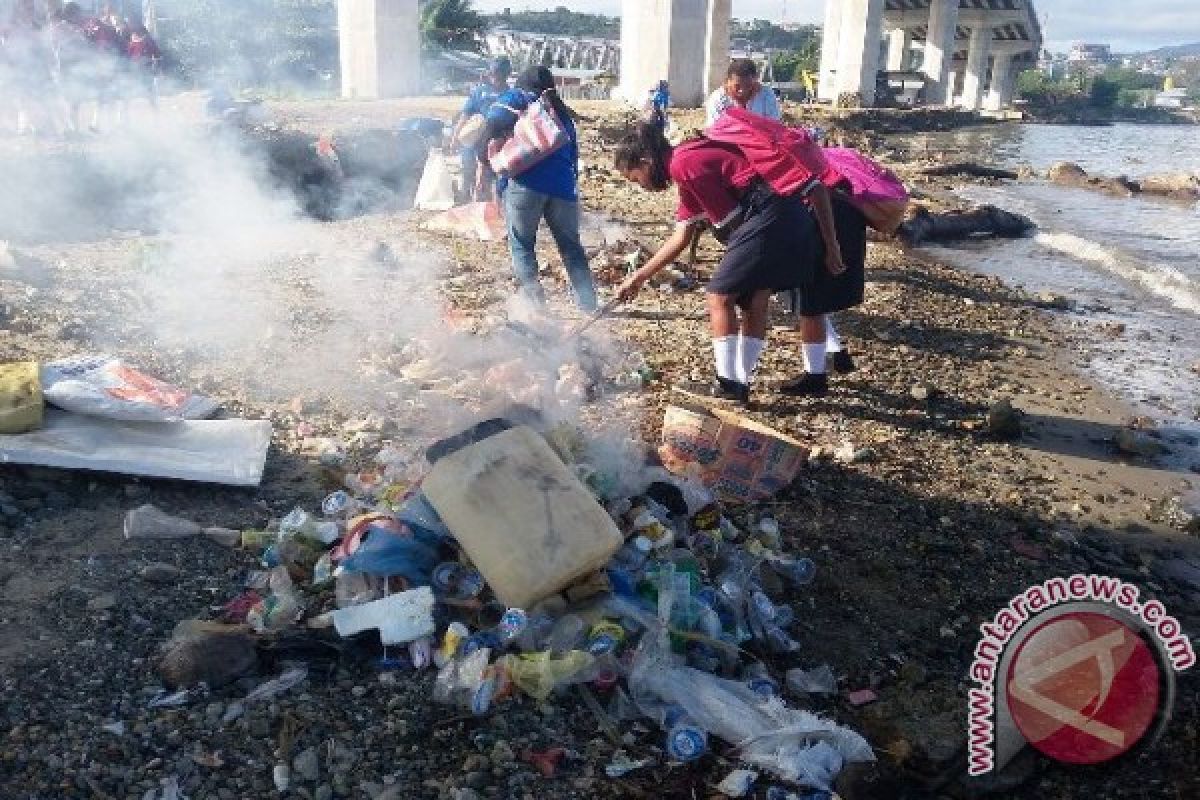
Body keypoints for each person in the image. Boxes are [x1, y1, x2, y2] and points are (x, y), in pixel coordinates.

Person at [611, 121, 845, 406]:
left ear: (646, 161)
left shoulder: (683, 163)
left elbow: (730, 222)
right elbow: (681, 236)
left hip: (770, 215)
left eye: (636, 178)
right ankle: (740, 382)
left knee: (719, 296)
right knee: (754, 298)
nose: (642, 186)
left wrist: (735, 254)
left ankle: (728, 384)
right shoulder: (686, 161)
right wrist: (638, 278)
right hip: (790, 215)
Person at [482, 65, 598, 311]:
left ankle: (537, 308)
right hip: (563, 188)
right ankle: (588, 304)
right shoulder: (560, 111)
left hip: (525, 184)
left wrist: (489, 163)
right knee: (571, 246)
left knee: (522, 244)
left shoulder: (519, 98)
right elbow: (574, 155)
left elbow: (491, 124)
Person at [449, 56, 511, 202]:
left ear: (506, 74)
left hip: (495, 143)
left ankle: (490, 207)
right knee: (468, 171)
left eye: (499, 73)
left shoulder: (510, 94)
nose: (495, 76)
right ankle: (464, 201)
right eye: (493, 73)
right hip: (473, 141)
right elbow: (465, 115)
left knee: (492, 176)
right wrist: (455, 137)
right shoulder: (480, 92)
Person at [705, 59, 780, 128]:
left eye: (748, 85)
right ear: (728, 81)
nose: (742, 91)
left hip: (760, 140)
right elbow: (715, 130)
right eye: (737, 86)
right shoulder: (717, 99)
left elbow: (774, 125)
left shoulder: (766, 94)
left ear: (755, 79)